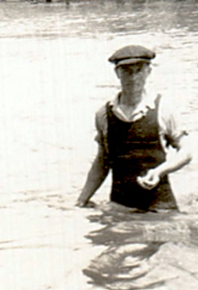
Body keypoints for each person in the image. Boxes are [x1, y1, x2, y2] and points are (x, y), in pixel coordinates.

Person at [77, 45, 191, 211]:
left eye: (139, 70)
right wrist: (81, 200)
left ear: (148, 72)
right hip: (119, 207)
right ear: (117, 73)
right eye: (126, 71)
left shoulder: (163, 108)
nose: (133, 78)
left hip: (160, 208)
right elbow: (102, 162)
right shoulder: (103, 114)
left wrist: (159, 172)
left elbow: (186, 152)